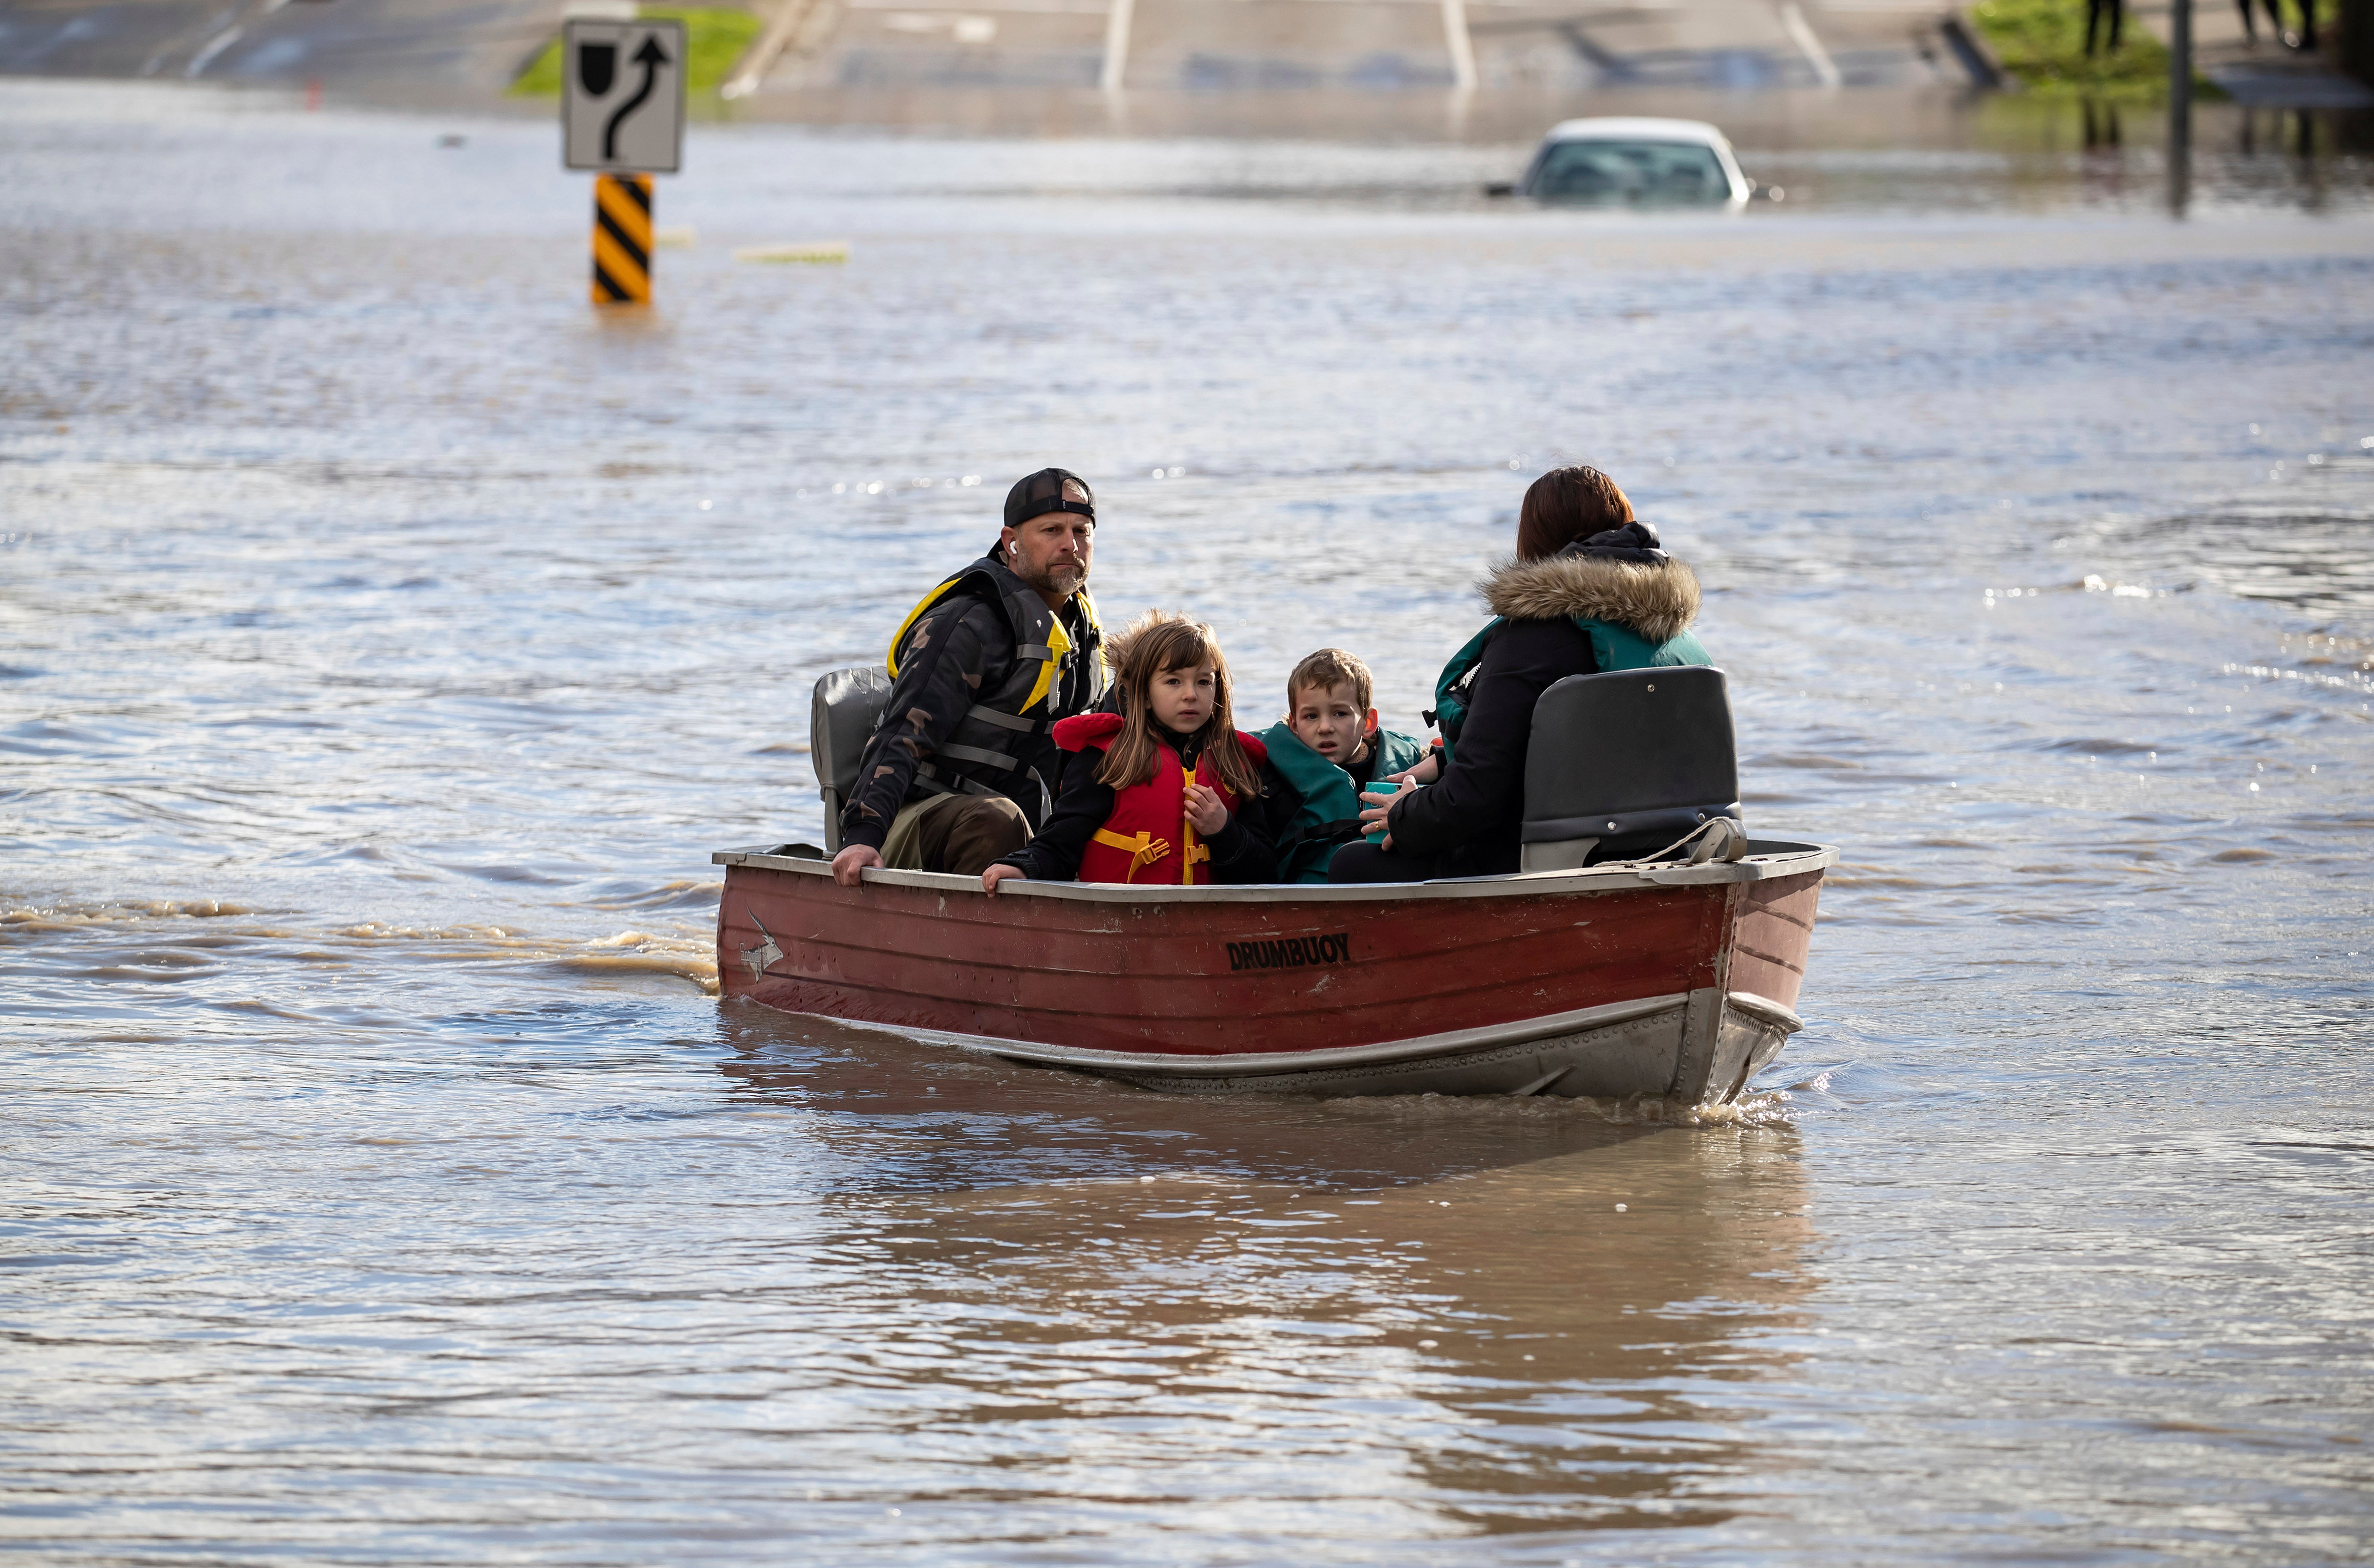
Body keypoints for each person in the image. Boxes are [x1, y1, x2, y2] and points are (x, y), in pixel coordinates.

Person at [1329, 464, 1710, 884]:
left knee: (1348, 862)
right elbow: (1590, 752)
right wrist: (1442, 762)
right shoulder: (1677, 639)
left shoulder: (1531, 639)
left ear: (1533, 542)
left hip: (1541, 862)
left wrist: (1403, 816)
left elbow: (1474, 800)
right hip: (1671, 847)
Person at [830, 469, 1107, 887]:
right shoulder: (967, 624)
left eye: (1081, 531)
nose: (1070, 544)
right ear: (1011, 541)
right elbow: (899, 735)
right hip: (919, 818)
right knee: (997, 820)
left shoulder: (1081, 631)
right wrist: (864, 835)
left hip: (1030, 830)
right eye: (1051, 530)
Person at [982, 612, 1276, 890]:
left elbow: (1265, 874)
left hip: (1206, 926)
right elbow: (1061, 842)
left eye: (1204, 682)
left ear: (1218, 690)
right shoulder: (1106, 760)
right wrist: (1025, 866)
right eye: (1173, 681)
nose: (1191, 694)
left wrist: (1224, 831)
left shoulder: (1236, 766)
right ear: (1144, 694)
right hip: (1121, 920)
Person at [1256, 648, 1432, 883]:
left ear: (1368, 723)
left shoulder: (1413, 765)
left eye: (1340, 714)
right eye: (1311, 716)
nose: (1325, 727)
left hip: (1388, 886)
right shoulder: (1270, 773)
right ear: (1294, 726)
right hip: (1310, 895)